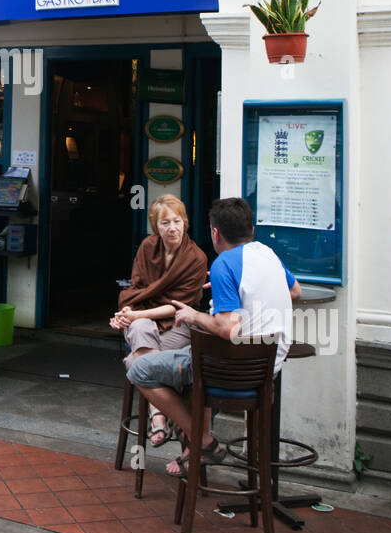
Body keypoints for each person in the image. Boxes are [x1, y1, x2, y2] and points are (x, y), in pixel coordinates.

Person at [126, 196, 302, 477]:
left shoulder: (224, 264)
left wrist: (195, 316)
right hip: (267, 371)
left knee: (138, 369)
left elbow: (227, 329)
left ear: (215, 233)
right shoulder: (269, 254)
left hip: (228, 370)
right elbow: (295, 292)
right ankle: (191, 445)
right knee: (186, 366)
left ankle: (202, 442)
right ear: (252, 229)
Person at [109, 195, 208, 447]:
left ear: (185, 222)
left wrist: (134, 314)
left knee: (136, 361)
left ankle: (158, 415)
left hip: (178, 322)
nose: (172, 228)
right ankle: (162, 415)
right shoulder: (147, 247)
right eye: (165, 223)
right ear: (156, 226)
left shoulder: (196, 257)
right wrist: (125, 314)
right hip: (143, 318)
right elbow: (136, 289)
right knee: (140, 328)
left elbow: (178, 306)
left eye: (177, 221)